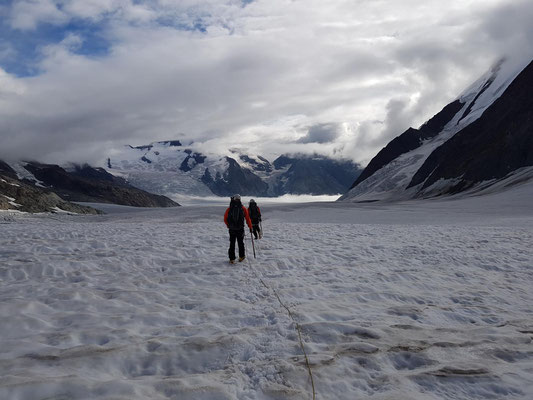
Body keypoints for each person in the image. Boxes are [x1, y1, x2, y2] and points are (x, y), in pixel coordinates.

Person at [224, 194, 252, 264]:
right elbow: (248, 218)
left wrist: (228, 225)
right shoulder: (243, 208)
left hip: (232, 229)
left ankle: (232, 259)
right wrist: (250, 227)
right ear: (240, 199)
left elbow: (225, 218)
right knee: (240, 243)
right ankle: (241, 257)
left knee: (232, 243)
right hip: (240, 229)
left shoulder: (229, 208)